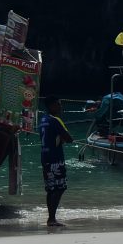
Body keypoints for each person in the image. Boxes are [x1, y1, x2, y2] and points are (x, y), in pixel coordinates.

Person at [39, 96, 73, 227]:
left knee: (51, 188)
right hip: (55, 159)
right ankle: (52, 219)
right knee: (60, 188)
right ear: (52, 105)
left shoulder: (42, 120)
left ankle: (51, 218)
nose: (61, 107)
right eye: (59, 104)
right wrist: (66, 139)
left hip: (45, 157)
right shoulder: (55, 120)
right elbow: (69, 138)